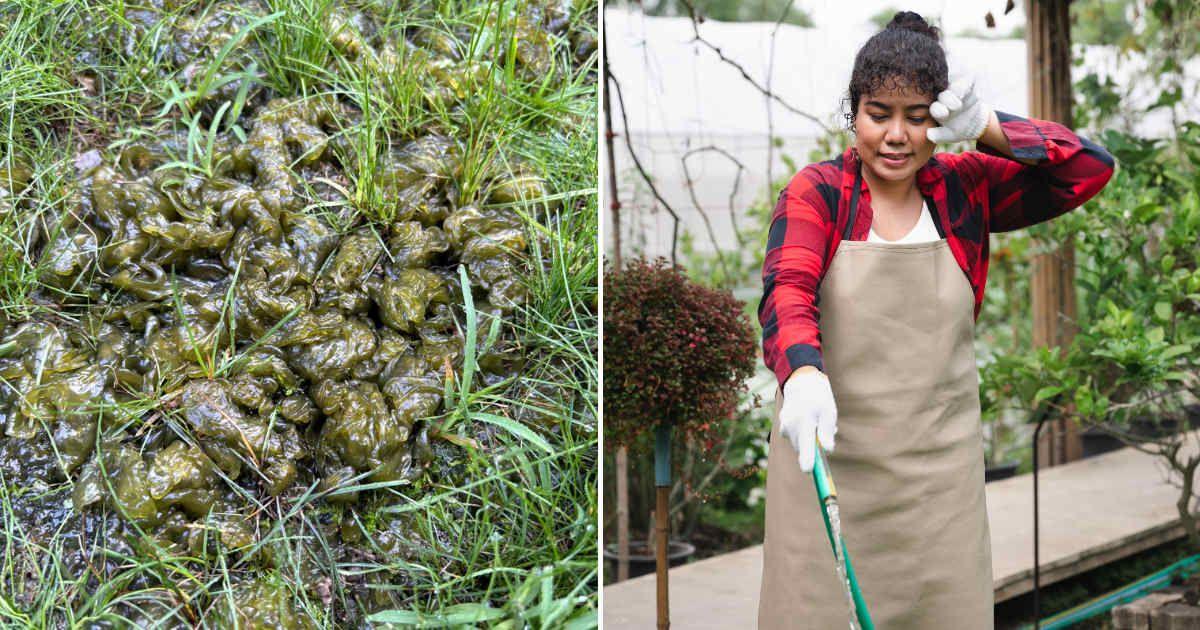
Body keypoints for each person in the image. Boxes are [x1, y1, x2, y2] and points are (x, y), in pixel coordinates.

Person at [756, 11, 1114, 629]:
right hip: (831, 472)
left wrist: (992, 129)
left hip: (938, 489)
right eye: (879, 114)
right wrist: (803, 374)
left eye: (917, 117)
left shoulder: (965, 188)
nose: (896, 136)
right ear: (853, 112)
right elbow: (787, 288)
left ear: (939, 121)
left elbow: (1088, 170)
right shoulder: (819, 193)